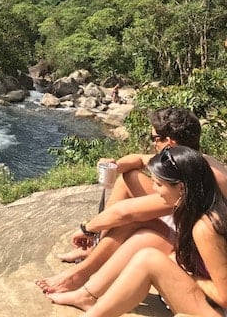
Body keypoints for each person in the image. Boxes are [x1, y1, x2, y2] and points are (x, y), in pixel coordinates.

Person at [36, 107, 227, 293]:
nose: (153, 144)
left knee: (134, 221)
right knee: (128, 179)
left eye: (154, 139)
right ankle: (96, 249)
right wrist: (114, 166)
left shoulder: (195, 178)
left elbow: (126, 212)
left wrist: (88, 228)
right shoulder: (192, 160)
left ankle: (81, 273)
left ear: (169, 142)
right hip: (190, 230)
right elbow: (137, 159)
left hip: (202, 248)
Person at [47, 145, 227, 317]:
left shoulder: (206, 228)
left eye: (159, 184)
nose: (154, 190)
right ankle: (88, 298)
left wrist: (188, 272)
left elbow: (224, 297)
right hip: (209, 300)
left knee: (148, 260)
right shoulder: (197, 204)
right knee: (148, 251)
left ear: (181, 188)